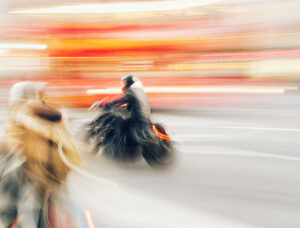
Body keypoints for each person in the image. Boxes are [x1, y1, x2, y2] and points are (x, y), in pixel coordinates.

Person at [0, 82, 81, 227]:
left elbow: (8, 194)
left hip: (30, 208)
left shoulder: (14, 138)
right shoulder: (55, 124)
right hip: (54, 202)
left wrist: (8, 220)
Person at [88, 74, 173, 167]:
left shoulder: (133, 91)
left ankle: (116, 148)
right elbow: (133, 104)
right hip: (143, 119)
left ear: (129, 82)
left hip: (137, 122)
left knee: (117, 122)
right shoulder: (139, 91)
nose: (123, 85)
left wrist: (105, 104)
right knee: (121, 120)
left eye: (124, 82)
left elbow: (120, 99)